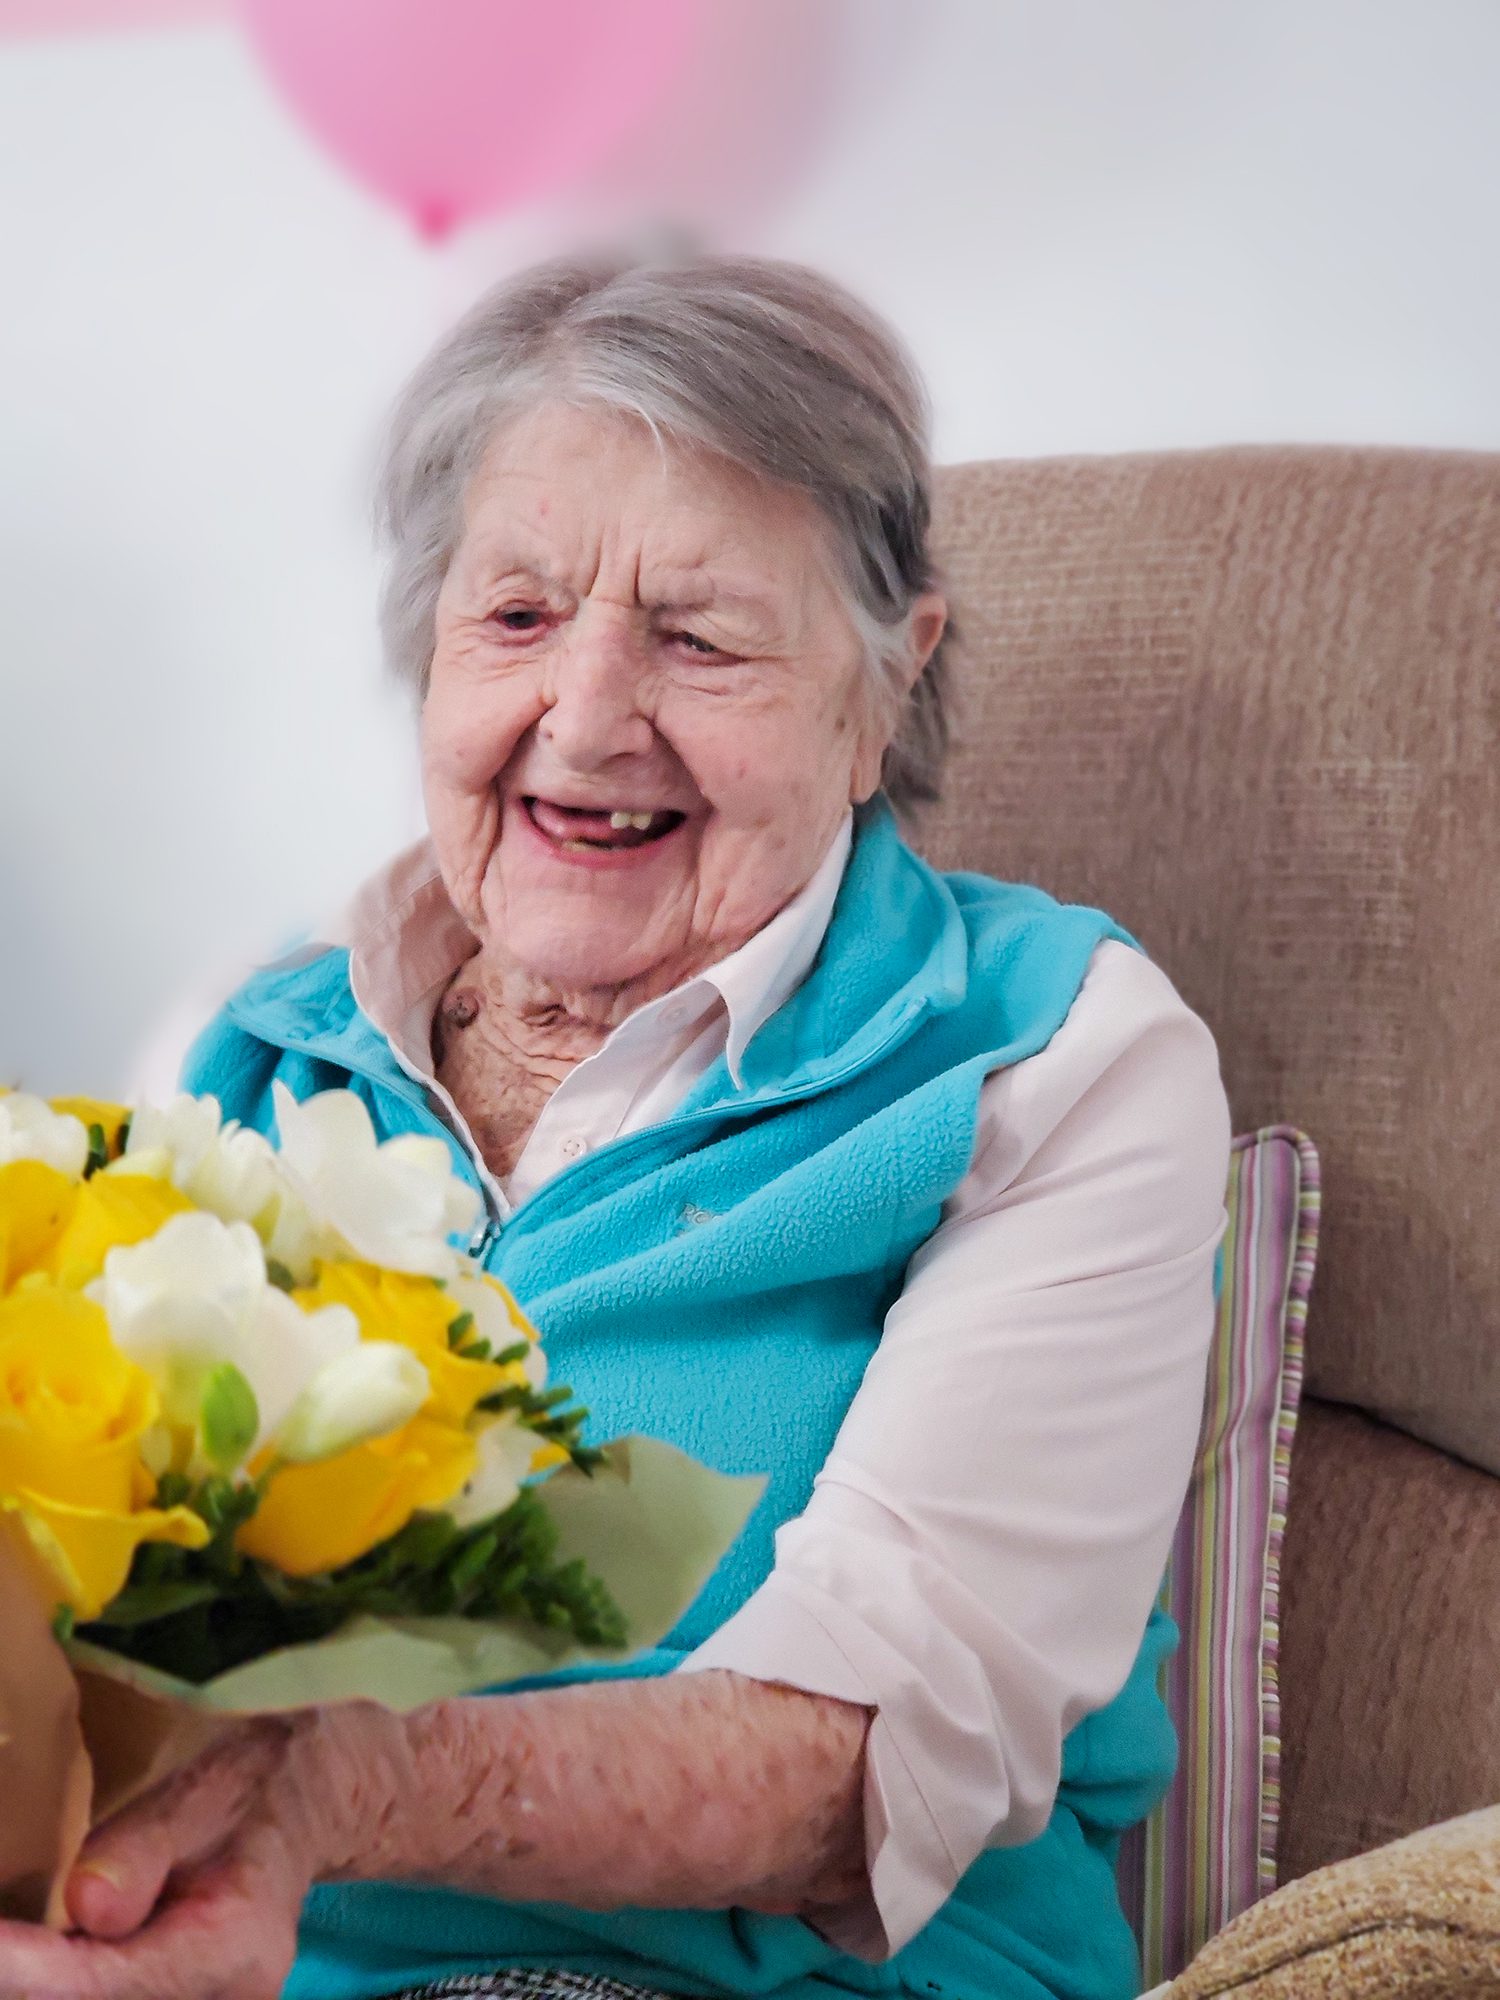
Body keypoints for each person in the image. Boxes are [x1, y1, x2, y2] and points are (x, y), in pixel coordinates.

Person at [0, 254, 1229, 2000]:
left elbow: (854, 1766)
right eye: (514, 620)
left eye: (698, 635)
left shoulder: (1046, 1055)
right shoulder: (255, 1042)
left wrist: (331, 1795)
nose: (582, 722)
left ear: (886, 687)